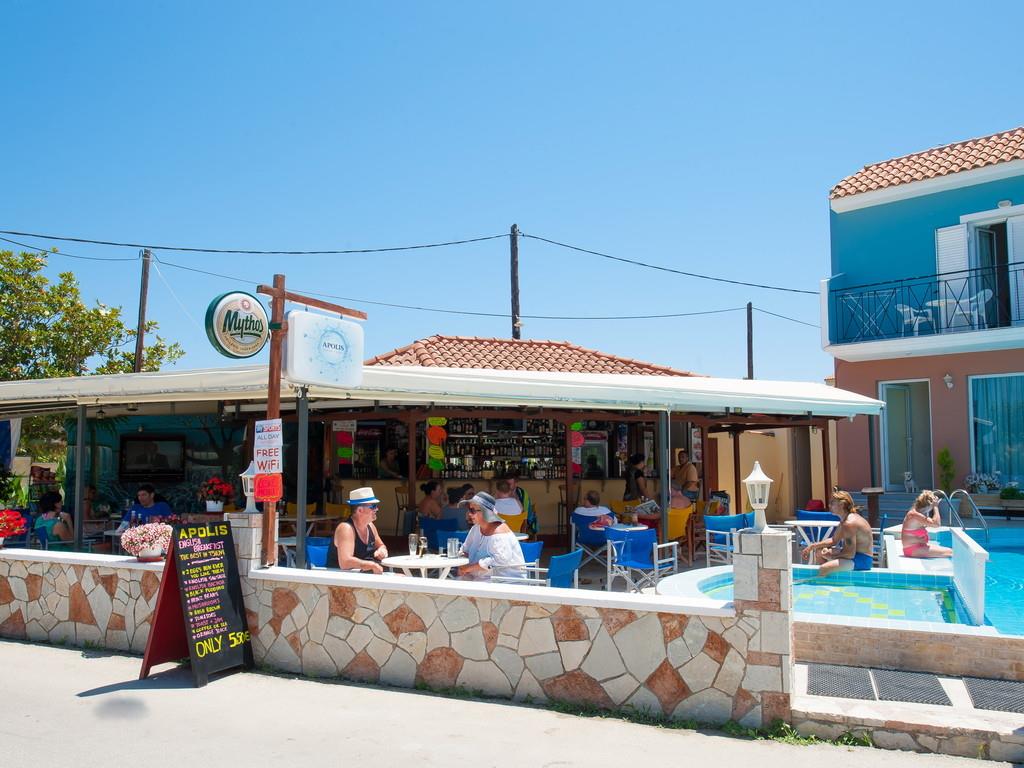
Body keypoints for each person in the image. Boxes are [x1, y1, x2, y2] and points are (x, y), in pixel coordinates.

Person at [801, 490, 874, 575]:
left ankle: (822, 580)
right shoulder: (844, 520)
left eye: (832, 503)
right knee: (819, 552)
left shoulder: (849, 523)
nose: (829, 505)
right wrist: (812, 546)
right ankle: (829, 578)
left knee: (824, 568)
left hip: (862, 560)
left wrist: (831, 556)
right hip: (854, 556)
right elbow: (834, 540)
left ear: (842, 504)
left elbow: (849, 554)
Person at [456, 492, 526, 580]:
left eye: (472, 510)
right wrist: (462, 564)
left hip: (505, 582)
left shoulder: (499, 533)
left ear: (485, 512)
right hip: (478, 579)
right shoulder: (475, 529)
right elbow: (465, 550)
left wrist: (468, 568)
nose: (469, 514)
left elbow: (500, 561)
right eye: (469, 510)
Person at [327, 487, 388, 573]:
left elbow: (381, 545)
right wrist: (370, 565)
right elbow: (345, 562)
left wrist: (382, 551)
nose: (376, 509)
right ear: (360, 510)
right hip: (342, 578)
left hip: (363, 575)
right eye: (373, 506)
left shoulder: (370, 526)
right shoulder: (346, 529)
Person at [901, 490, 952, 558]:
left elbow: (933, 522)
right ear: (929, 505)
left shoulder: (918, 513)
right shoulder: (914, 515)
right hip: (913, 549)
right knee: (951, 553)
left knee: (951, 551)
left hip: (920, 546)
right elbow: (936, 524)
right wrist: (935, 507)